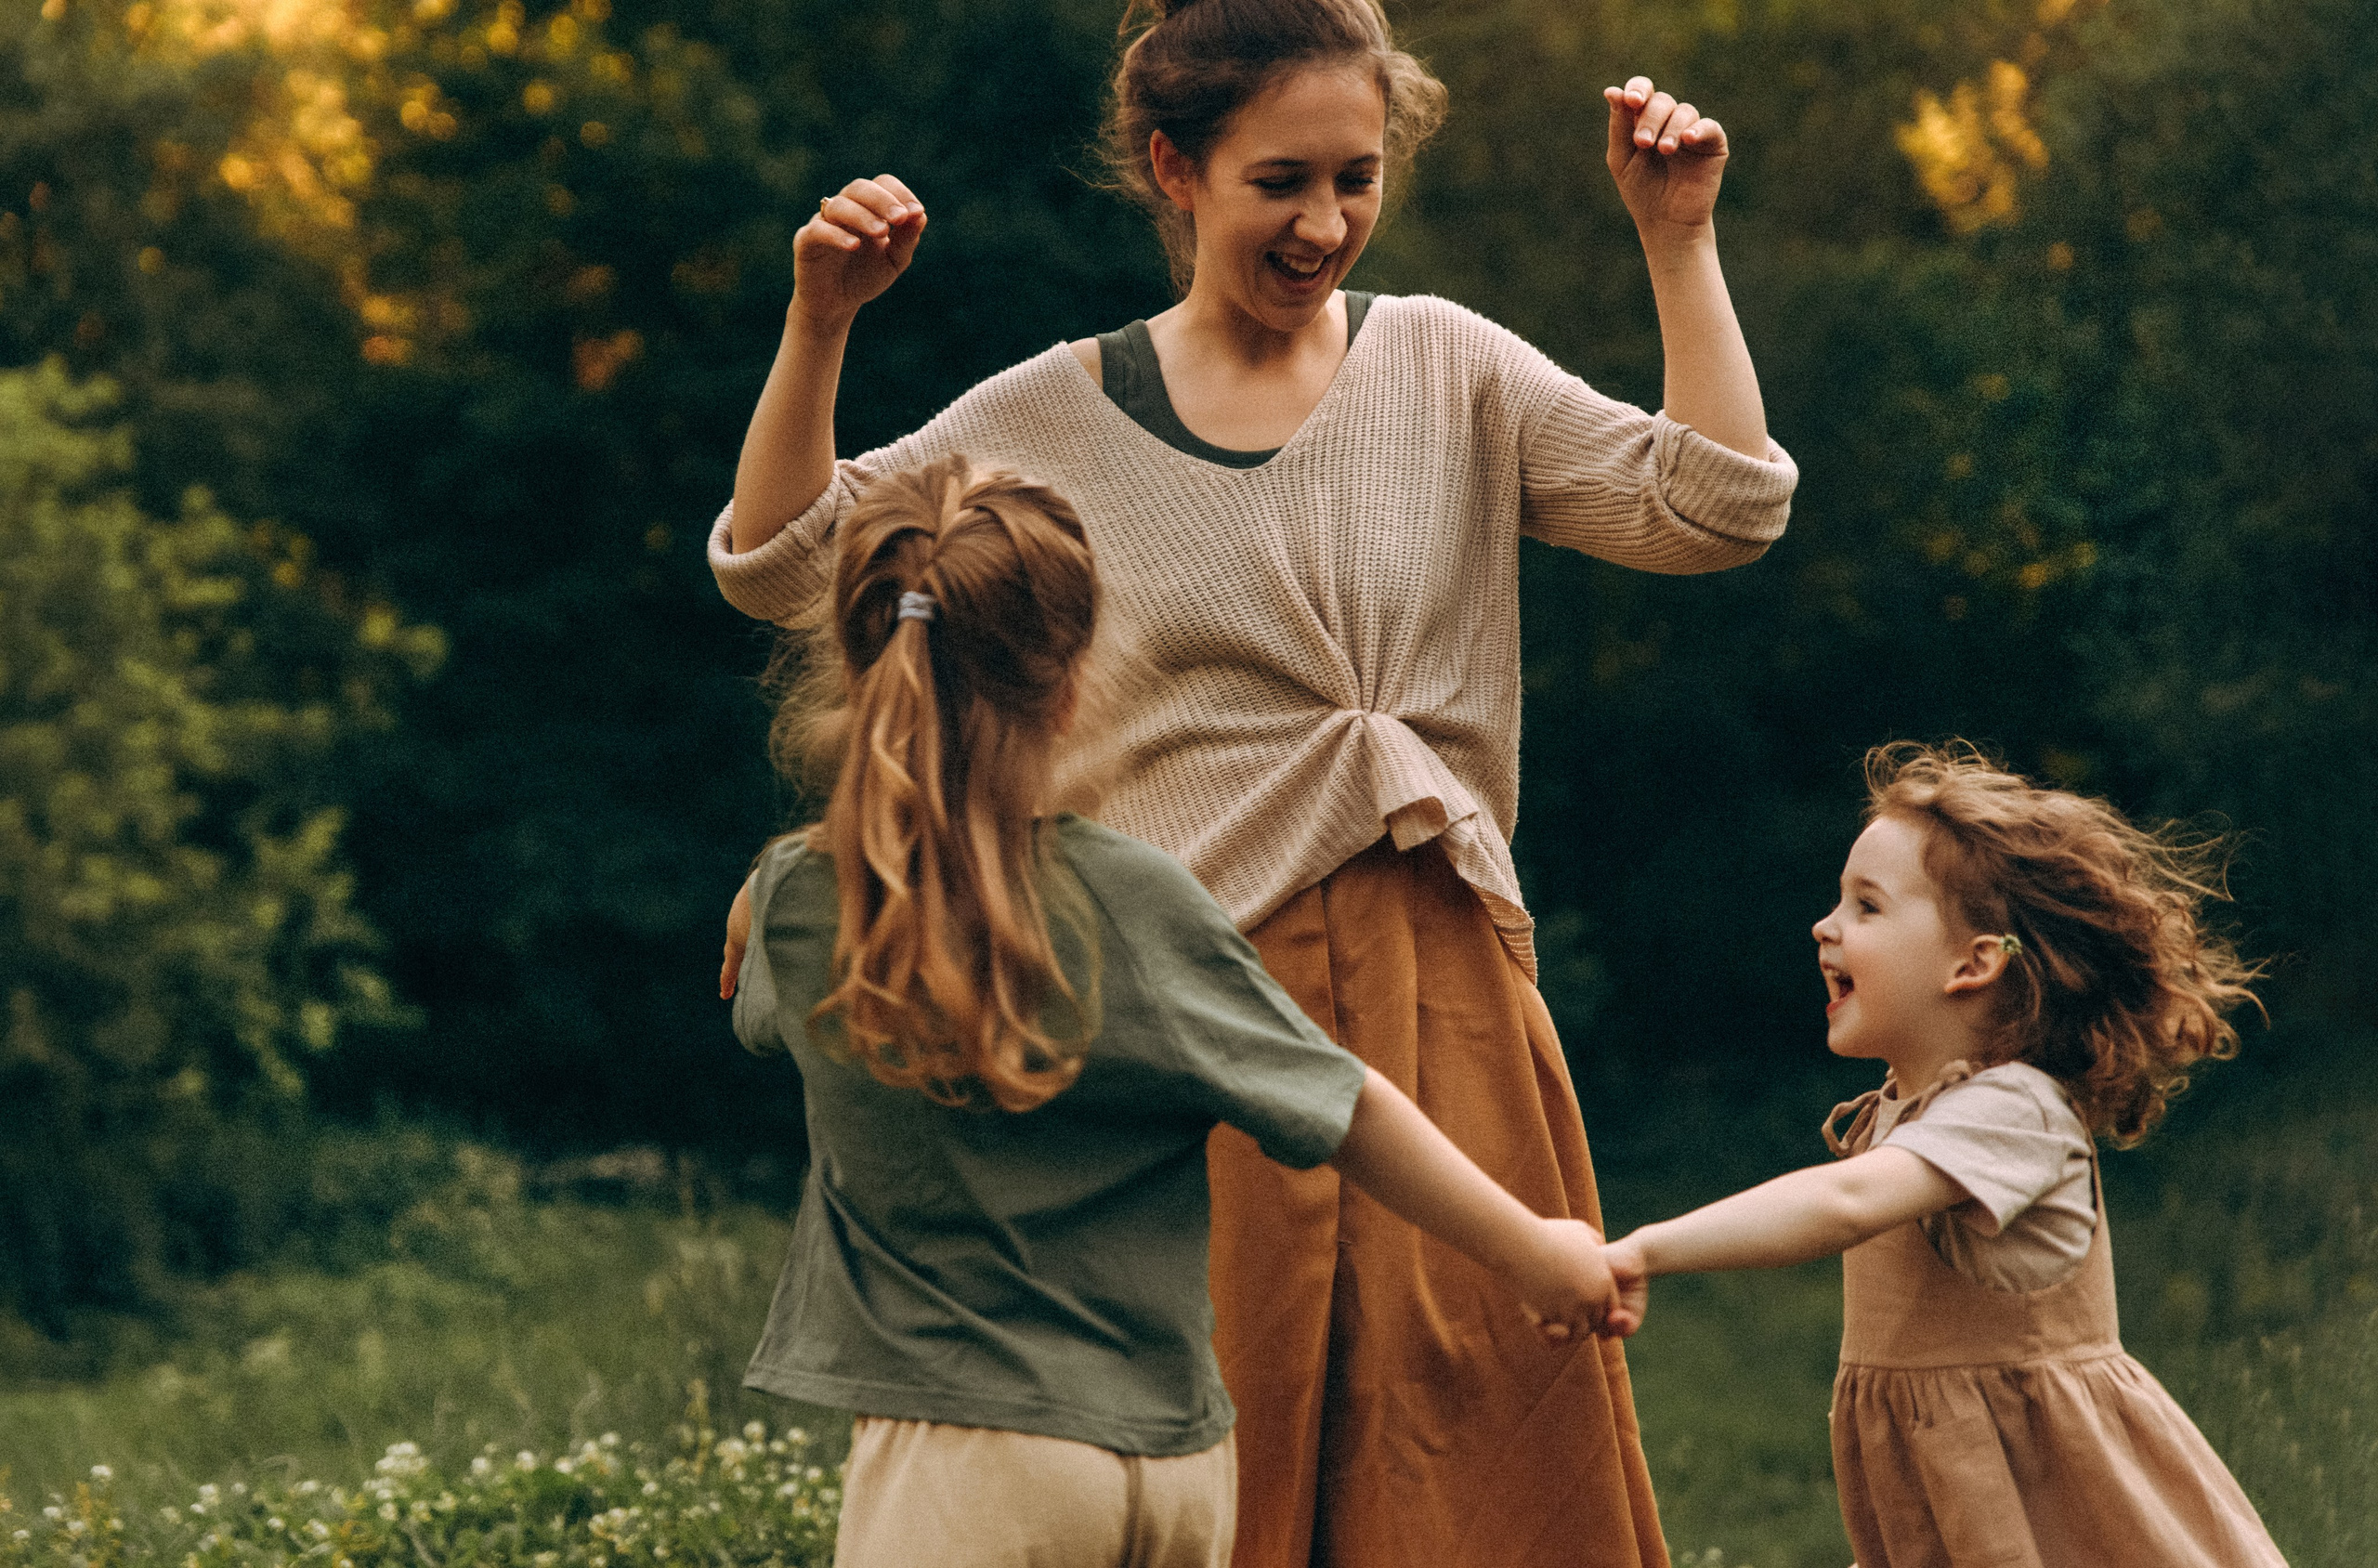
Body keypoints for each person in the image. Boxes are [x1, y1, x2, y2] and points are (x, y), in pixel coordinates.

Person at [711, 1, 1798, 1560]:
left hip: (1451, 993)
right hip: (1207, 991)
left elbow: (1718, 507)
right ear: (1176, 167)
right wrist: (820, 322)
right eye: (1281, 180)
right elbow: (786, 564)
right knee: (1240, 1445)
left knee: (1480, 1443)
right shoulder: (1054, 407)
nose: (1327, 221)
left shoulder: (1446, 365)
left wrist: (1678, 236)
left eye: (1358, 178)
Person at [719, 453, 1621, 1568]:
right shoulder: (1136, 901)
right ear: (1072, 678)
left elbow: (761, 1007)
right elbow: (1344, 1103)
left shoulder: (805, 902)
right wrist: (1533, 1248)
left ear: (862, 667)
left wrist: (774, 880)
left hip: (963, 1466)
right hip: (1176, 1470)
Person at [1599, 742, 2287, 1568]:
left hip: (2064, 1516)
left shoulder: (2014, 1109)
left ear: (1975, 961)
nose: (1826, 925)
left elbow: (1844, 1204)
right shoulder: (1902, 1114)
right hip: (1956, 1509)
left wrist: (1642, 1250)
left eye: (1867, 907)